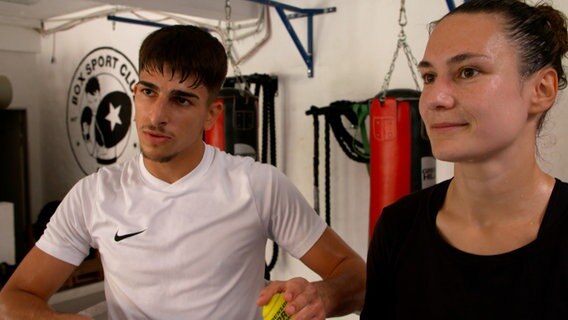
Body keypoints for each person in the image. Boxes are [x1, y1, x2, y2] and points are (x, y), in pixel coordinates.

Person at [0, 25, 365, 319]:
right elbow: (13, 299)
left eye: (181, 99)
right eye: (148, 91)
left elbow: (356, 275)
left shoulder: (257, 186)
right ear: (134, 92)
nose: (157, 115)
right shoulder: (93, 195)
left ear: (211, 114)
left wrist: (323, 296)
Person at [361, 0, 568, 318]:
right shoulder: (398, 228)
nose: (434, 99)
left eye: (467, 72)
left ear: (541, 89)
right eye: (429, 77)